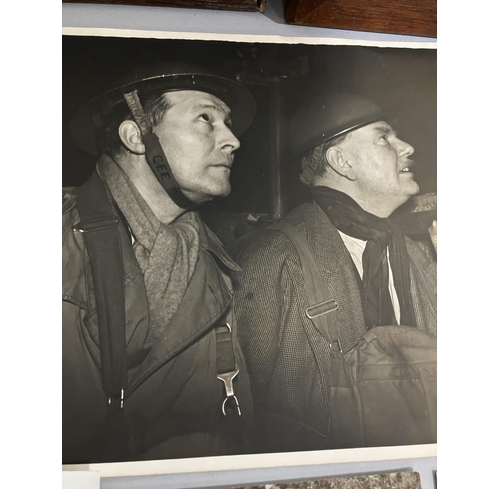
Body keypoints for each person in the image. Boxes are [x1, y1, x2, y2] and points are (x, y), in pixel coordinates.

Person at [62, 63, 257, 464]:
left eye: (228, 123)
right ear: (136, 136)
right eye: (206, 118)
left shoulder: (214, 262)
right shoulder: (59, 244)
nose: (233, 140)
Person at [230, 92, 437, 454]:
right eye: (384, 137)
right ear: (342, 161)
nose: (406, 147)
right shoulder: (272, 260)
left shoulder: (423, 256)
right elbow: (253, 421)